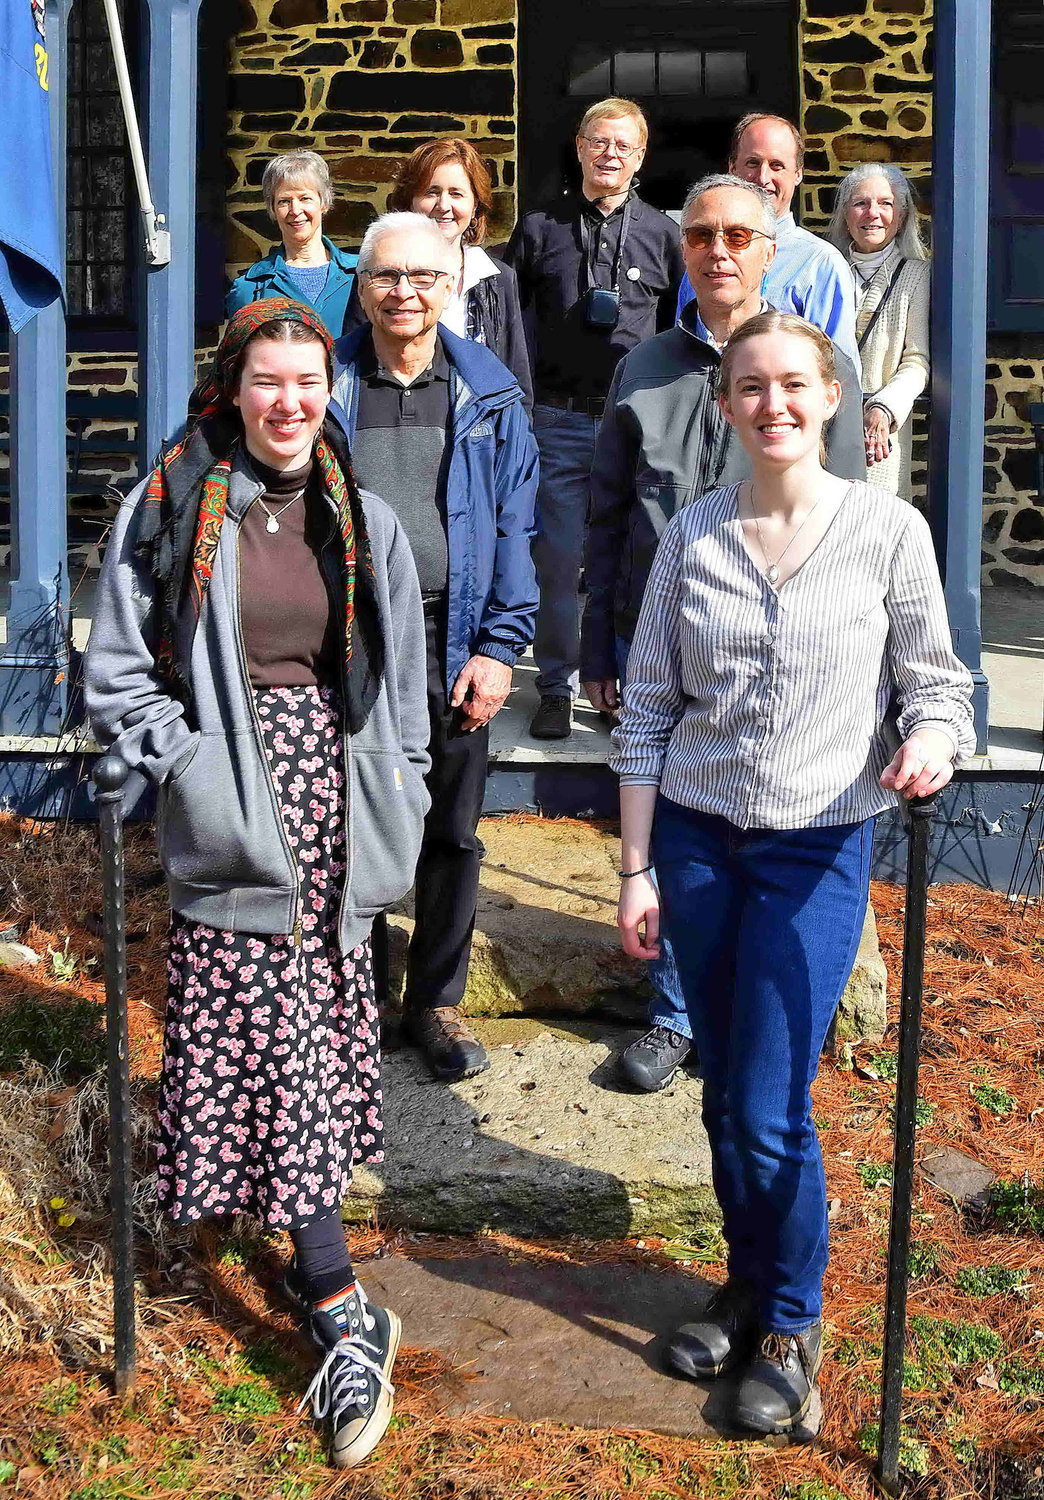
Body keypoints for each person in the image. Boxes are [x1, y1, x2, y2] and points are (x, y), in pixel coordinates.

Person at [611, 310, 974, 1435]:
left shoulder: (888, 532)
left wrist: (932, 740)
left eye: (792, 386)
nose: (772, 404)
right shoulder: (694, 538)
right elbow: (647, 712)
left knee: (771, 1106)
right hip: (696, 838)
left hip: (817, 846)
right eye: (750, 386)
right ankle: (744, 1281)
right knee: (723, 1092)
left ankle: (791, 1327)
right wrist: (635, 867)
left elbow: (939, 684)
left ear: (829, 401)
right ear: (725, 406)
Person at [84, 300, 432, 1468]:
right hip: (234, 814)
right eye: (268, 382)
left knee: (309, 1046)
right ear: (234, 390)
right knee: (265, 1040)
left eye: (308, 382)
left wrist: (403, 794)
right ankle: (341, 1310)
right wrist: (190, 772)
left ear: (330, 389)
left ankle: (319, 1274)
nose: (290, 403)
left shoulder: (365, 522)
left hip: (337, 815)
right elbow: (121, 672)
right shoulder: (175, 506)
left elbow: (400, 691)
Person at [582, 175, 866, 1093]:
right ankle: (676, 1011)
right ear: (682, 250)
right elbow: (608, 513)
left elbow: (851, 510)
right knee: (675, 821)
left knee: (764, 824)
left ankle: (763, 1015)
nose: (718, 250)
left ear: (768, 248)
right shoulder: (644, 368)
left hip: (782, 640)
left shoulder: (810, 366)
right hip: (661, 633)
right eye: (700, 234)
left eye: (739, 235)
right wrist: (596, 645)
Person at [331, 212, 538, 1084]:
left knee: (450, 828)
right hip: (352, 637)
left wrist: (499, 647)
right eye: (386, 276)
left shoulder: (489, 395)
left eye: (422, 277)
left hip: (453, 634)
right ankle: (359, 1002)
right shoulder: (329, 386)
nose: (404, 293)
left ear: (452, 286)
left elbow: (520, 525)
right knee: (353, 819)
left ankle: (434, 1002)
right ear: (364, 285)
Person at [503, 97, 684, 740]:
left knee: (635, 558)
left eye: (624, 146)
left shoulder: (665, 234)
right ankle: (555, 686)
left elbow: (676, 332)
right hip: (556, 420)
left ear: (640, 157)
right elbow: (513, 328)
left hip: (637, 425)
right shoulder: (538, 228)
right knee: (557, 559)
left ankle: (625, 688)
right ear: (579, 147)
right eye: (599, 142)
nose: (610, 154)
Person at [676, 114, 859, 376]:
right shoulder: (705, 257)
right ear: (732, 168)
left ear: (797, 174)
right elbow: (680, 353)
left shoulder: (820, 265)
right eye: (752, 162)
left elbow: (840, 375)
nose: (762, 177)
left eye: (777, 166)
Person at [388, 137, 533, 410]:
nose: (444, 205)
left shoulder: (498, 278)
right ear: (410, 200)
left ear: (475, 205)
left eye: (456, 193)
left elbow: (517, 378)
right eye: (431, 192)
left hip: (482, 433)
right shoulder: (382, 274)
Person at [829, 162, 930, 499]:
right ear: (846, 215)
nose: (872, 213)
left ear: (900, 217)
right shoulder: (828, 269)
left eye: (885, 204)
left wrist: (884, 408)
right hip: (824, 427)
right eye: (861, 203)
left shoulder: (917, 276)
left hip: (879, 435)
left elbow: (916, 361)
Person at [226, 151, 359, 336]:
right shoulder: (250, 288)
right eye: (284, 201)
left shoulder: (361, 275)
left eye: (305, 198)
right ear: (272, 209)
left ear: (324, 203)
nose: (295, 210)